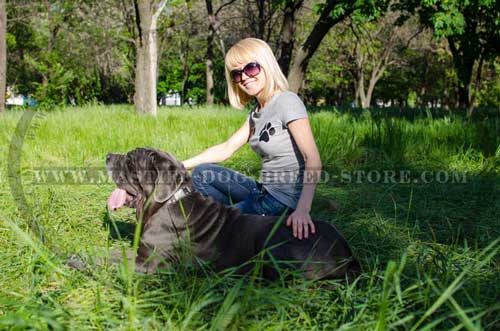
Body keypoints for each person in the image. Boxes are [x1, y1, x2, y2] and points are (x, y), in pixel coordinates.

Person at [108, 37, 322, 240]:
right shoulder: (257, 112)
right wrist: (179, 166)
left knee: (202, 229)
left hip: (280, 203)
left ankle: (223, 221)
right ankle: (225, 216)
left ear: (266, 64)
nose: (244, 77)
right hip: (262, 191)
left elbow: (312, 159)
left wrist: (302, 210)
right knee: (203, 173)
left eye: (251, 68)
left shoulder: (287, 101)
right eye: (237, 74)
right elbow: (226, 148)